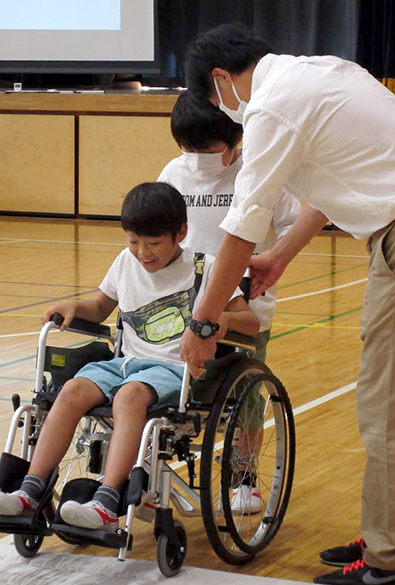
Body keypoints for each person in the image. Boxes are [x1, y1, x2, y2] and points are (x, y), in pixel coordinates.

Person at [180, 23, 395, 585]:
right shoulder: (321, 70)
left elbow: (244, 223)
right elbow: (325, 186)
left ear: (222, 79)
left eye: (218, 101)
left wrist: (204, 320)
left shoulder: (271, 107)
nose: (227, 113)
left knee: (387, 408)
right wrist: (283, 256)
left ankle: (391, 560)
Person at [0, 181, 258, 531]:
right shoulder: (126, 262)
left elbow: (251, 322)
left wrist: (225, 320)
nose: (142, 252)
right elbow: (99, 307)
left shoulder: (207, 268)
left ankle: (108, 499)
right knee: (70, 392)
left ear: (181, 234)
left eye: (153, 243)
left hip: (174, 369)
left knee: (130, 396)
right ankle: (29, 491)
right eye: (133, 241)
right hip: (123, 364)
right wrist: (74, 305)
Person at [158, 92, 302, 512]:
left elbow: (295, 224)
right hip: (184, 308)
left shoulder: (260, 173)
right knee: (176, 392)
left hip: (245, 310)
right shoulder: (173, 173)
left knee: (245, 395)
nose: (197, 158)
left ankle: (243, 477)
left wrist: (272, 264)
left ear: (236, 138)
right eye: (188, 148)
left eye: (207, 149)